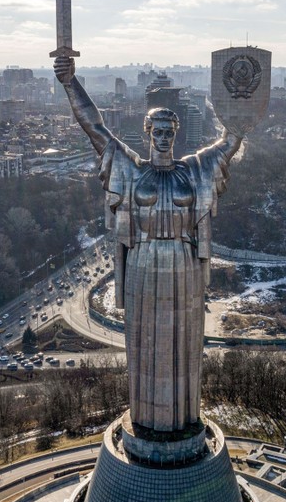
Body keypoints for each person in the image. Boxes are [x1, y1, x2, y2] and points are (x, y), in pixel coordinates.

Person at [54, 56, 244, 432]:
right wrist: (70, 83)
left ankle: (184, 421)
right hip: (142, 261)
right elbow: (95, 128)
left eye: (168, 132)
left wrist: (239, 99)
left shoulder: (195, 170)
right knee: (143, 343)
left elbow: (232, 140)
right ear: (146, 133)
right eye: (155, 131)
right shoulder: (131, 170)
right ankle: (145, 420)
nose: (161, 138)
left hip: (183, 262)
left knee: (186, 342)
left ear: (176, 135)